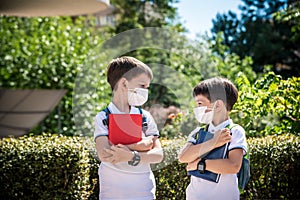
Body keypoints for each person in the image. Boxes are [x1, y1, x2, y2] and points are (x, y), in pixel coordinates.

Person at [94, 56, 163, 200]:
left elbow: (158, 155)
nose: (146, 91)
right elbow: (104, 154)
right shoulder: (103, 118)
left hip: (144, 192)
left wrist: (130, 155)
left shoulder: (145, 117)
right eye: (142, 86)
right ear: (124, 83)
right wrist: (142, 145)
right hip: (112, 194)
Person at [178, 77, 248, 200]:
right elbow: (183, 157)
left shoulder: (235, 131)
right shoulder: (198, 132)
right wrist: (213, 142)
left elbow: (233, 166)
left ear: (218, 105)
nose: (197, 108)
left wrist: (200, 165)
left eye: (200, 103)